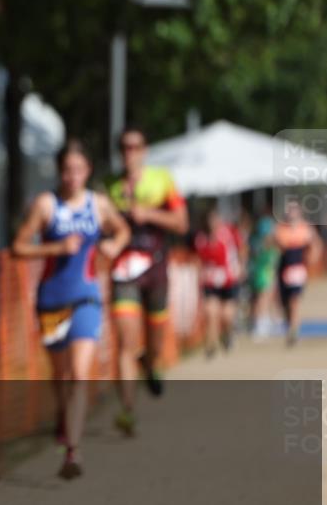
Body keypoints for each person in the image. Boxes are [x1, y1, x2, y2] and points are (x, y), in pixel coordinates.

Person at [12, 139, 129, 479]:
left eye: (78, 170)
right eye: (67, 170)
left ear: (88, 171)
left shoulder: (99, 204)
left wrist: (113, 245)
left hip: (87, 297)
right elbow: (19, 247)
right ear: (60, 171)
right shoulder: (47, 205)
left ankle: (73, 451)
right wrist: (56, 247)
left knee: (79, 374)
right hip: (51, 300)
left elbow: (123, 230)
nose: (72, 176)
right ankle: (65, 418)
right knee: (61, 377)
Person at [105, 127, 188, 436]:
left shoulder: (162, 180)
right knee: (126, 343)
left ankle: (151, 365)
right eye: (124, 147)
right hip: (124, 269)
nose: (130, 152)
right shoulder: (110, 185)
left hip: (156, 267)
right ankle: (127, 410)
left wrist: (149, 214)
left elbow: (182, 223)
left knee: (154, 341)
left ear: (144, 150)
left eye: (135, 146)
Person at [193, 207, 245, 358]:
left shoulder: (229, 233)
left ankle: (227, 335)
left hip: (229, 280)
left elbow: (241, 248)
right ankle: (210, 345)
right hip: (211, 282)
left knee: (226, 315)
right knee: (211, 312)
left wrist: (241, 266)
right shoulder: (201, 238)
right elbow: (199, 259)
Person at [273, 201, 322, 347]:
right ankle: (290, 325)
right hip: (283, 268)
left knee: (294, 300)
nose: (291, 213)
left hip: (297, 268)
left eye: (294, 210)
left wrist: (313, 257)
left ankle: (293, 331)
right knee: (284, 303)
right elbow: (273, 246)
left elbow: (316, 244)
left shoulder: (305, 228)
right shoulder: (280, 228)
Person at [247, 208, 278, 337]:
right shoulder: (260, 242)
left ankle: (263, 320)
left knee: (264, 296)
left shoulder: (259, 240)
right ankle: (260, 323)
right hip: (261, 272)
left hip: (265, 271)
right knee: (261, 297)